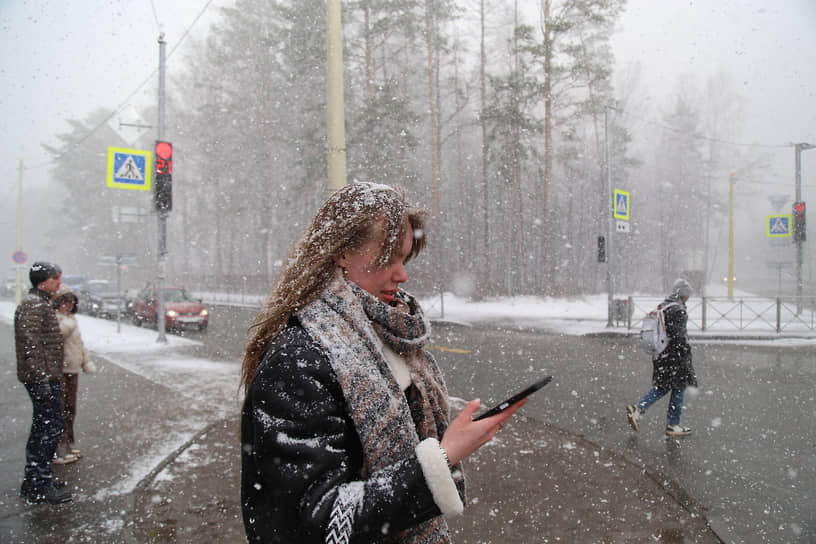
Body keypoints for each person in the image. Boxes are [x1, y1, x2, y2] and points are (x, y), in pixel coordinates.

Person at [240, 182, 526, 543]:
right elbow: (307, 524)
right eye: (389, 257)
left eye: (404, 258)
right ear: (342, 252)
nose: (402, 274)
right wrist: (441, 458)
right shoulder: (300, 359)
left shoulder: (387, 335)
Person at [15, 262, 72, 504]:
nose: (59, 283)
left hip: (47, 376)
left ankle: (36, 479)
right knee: (49, 428)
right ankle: (40, 483)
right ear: (42, 281)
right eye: (55, 278)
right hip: (43, 378)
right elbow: (30, 345)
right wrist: (41, 379)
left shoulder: (39, 304)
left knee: (45, 427)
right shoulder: (33, 306)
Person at [626, 278, 698, 437]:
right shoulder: (678, 310)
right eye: (687, 295)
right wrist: (686, 361)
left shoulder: (664, 306)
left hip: (661, 354)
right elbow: (679, 338)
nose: (688, 298)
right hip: (674, 357)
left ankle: (638, 409)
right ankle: (672, 425)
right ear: (684, 295)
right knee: (678, 387)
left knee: (663, 387)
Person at [53, 284, 96, 464]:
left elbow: (79, 344)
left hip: (72, 369)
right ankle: (59, 449)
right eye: (64, 301)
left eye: (71, 302)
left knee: (70, 409)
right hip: (60, 370)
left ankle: (68, 444)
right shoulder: (56, 319)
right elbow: (60, 334)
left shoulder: (70, 319)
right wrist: (69, 322)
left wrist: (86, 361)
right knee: (60, 410)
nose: (68, 305)